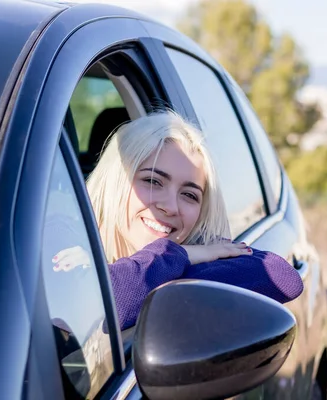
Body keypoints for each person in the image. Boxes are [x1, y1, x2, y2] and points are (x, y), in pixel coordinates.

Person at [51, 110, 304, 331]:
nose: (171, 207)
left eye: (189, 195)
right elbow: (111, 302)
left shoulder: (199, 249)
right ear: (115, 181)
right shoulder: (57, 234)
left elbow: (281, 277)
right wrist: (179, 256)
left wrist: (178, 256)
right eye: (152, 181)